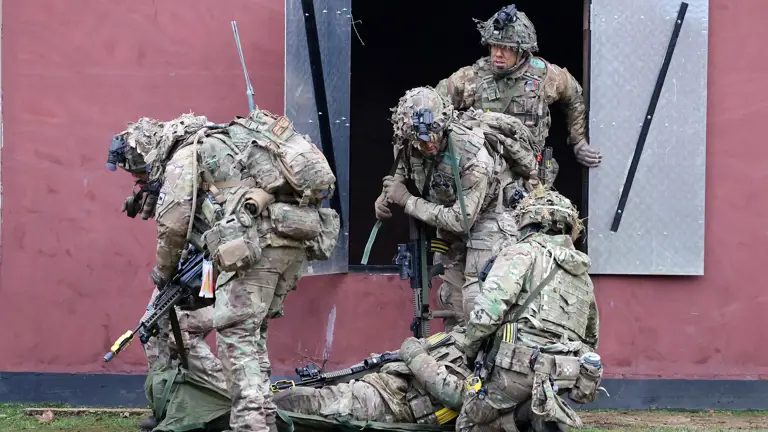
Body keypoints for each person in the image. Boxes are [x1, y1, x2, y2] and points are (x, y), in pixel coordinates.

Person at [116, 109, 340, 432]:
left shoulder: (185, 155)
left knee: (236, 340)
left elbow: (174, 226)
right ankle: (263, 420)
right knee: (252, 338)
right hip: (291, 243)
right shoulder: (224, 142)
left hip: (256, 248)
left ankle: (250, 426)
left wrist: (162, 274)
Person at [375, 86, 537, 331]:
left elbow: (462, 221)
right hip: (448, 217)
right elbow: (399, 174)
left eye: (434, 134)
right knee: (452, 301)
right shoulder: (408, 142)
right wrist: (385, 196)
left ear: (444, 125)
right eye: (420, 139)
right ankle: (456, 361)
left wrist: (407, 200)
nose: (428, 143)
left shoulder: (472, 154)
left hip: (488, 218)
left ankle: (488, 361)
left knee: (479, 300)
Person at [457, 187, 602, 432]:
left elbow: (485, 316)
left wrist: (469, 351)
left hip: (519, 368)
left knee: (469, 422)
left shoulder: (522, 252)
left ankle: (529, 417)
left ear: (526, 221)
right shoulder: (582, 275)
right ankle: (538, 414)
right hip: (565, 373)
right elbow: (591, 337)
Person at [108, 138, 228, 431]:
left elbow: (208, 231)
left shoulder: (193, 180)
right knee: (150, 329)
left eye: (138, 172)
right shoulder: (167, 181)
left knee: (182, 335)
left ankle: (227, 398)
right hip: (183, 272)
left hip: (212, 273)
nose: (136, 180)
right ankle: (167, 406)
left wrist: (169, 271)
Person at [435, 4, 602, 185]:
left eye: (506, 48)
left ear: (521, 50)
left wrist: (578, 141)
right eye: (494, 46)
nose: (498, 53)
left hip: (529, 174)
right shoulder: (473, 77)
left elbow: (574, 96)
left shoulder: (545, 76)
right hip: (485, 174)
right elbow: (436, 101)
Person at [272, 329, 471, 426]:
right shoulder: (464, 335)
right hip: (382, 378)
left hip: (391, 403)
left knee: (307, 402)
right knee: (300, 396)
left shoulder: (492, 377)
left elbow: (456, 395)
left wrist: (415, 354)